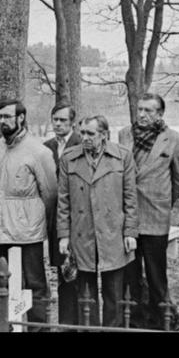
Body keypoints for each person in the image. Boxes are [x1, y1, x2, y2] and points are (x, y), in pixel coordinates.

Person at [58, 115, 138, 327]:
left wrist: (130, 232)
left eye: (90, 134)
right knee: (86, 294)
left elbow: (130, 198)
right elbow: (63, 201)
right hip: (82, 235)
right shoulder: (69, 158)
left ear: (103, 135)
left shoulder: (123, 156)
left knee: (114, 292)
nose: (85, 137)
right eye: (82, 133)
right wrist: (63, 236)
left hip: (112, 233)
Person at [0, 98, 57, 330]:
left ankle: (37, 327)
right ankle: (9, 326)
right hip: (0, 229)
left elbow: (50, 193)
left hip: (28, 231)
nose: (3, 121)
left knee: (34, 283)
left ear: (21, 118)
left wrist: (33, 220)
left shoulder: (39, 151)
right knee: (4, 281)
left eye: (7, 116)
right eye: (0, 117)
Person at [118, 93, 179, 329]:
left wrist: (163, 200)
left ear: (160, 114)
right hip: (128, 216)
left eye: (149, 111)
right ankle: (136, 320)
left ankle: (161, 321)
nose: (143, 115)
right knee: (131, 273)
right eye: (140, 110)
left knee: (157, 273)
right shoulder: (124, 134)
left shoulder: (175, 140)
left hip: (156, 216)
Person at [43, 102, 82, 325]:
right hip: (56, 218)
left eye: (63, 120)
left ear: (72, 123)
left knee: (80, 273)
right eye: (55, 120)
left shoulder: (80, 143)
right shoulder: (46, 147)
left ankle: (83, 323)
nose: (58, 124)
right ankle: (66, 323)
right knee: (62, 271)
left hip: (78, 217)